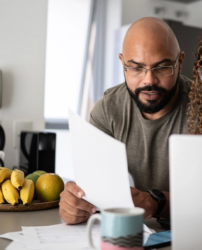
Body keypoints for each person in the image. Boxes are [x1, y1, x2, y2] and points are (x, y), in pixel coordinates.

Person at [59, 17, 191, 224]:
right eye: (136, 68)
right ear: (122, 63)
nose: (148, 80)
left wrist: (154, 202)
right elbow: (94, 188)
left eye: (162, 68)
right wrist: (76, 204)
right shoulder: (108, 108)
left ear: (180, 62)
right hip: (130, 234)